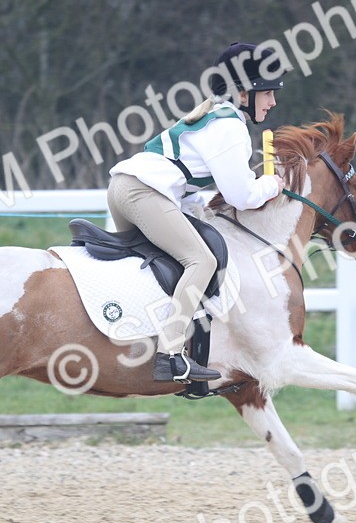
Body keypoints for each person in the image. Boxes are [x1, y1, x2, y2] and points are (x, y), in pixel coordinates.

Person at [107, 42, 286, 383]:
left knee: (161, 265)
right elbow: (241, 196)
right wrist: (271, 184)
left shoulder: (211, 117)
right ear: (243, 93)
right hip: (143, 193)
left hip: (124, 189)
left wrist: (200, 213)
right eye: (267, 92)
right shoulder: (230, 126)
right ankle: (170, 355)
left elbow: (184, 186)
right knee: (201, 261)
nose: (273, 101)